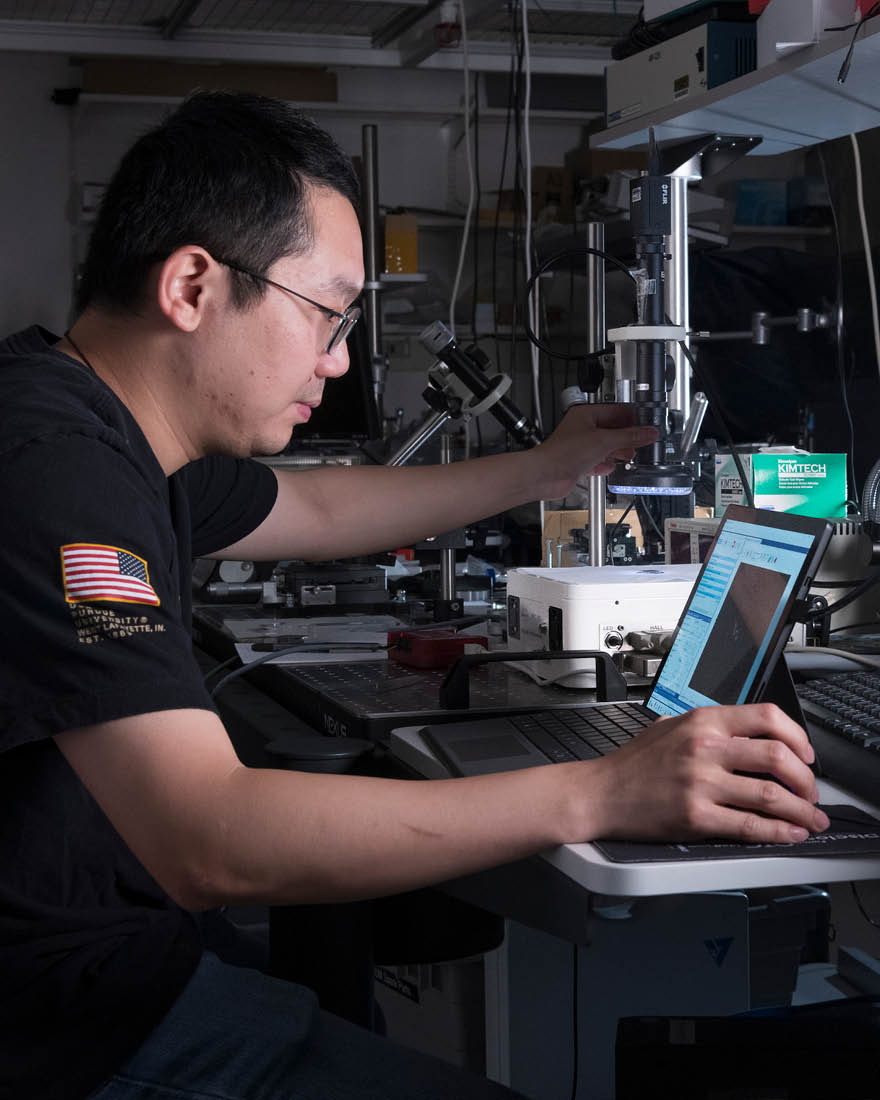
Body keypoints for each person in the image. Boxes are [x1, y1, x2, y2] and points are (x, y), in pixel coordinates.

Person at [0, 90, 829, 1100]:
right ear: (191, 285)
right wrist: (603, 790)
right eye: (326, 312)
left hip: (124, 954)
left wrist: (546, 467)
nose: (339, 356)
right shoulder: (55, 461)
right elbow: (207, 837)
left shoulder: (117, 432)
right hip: (70, 1026)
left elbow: (319, 507)